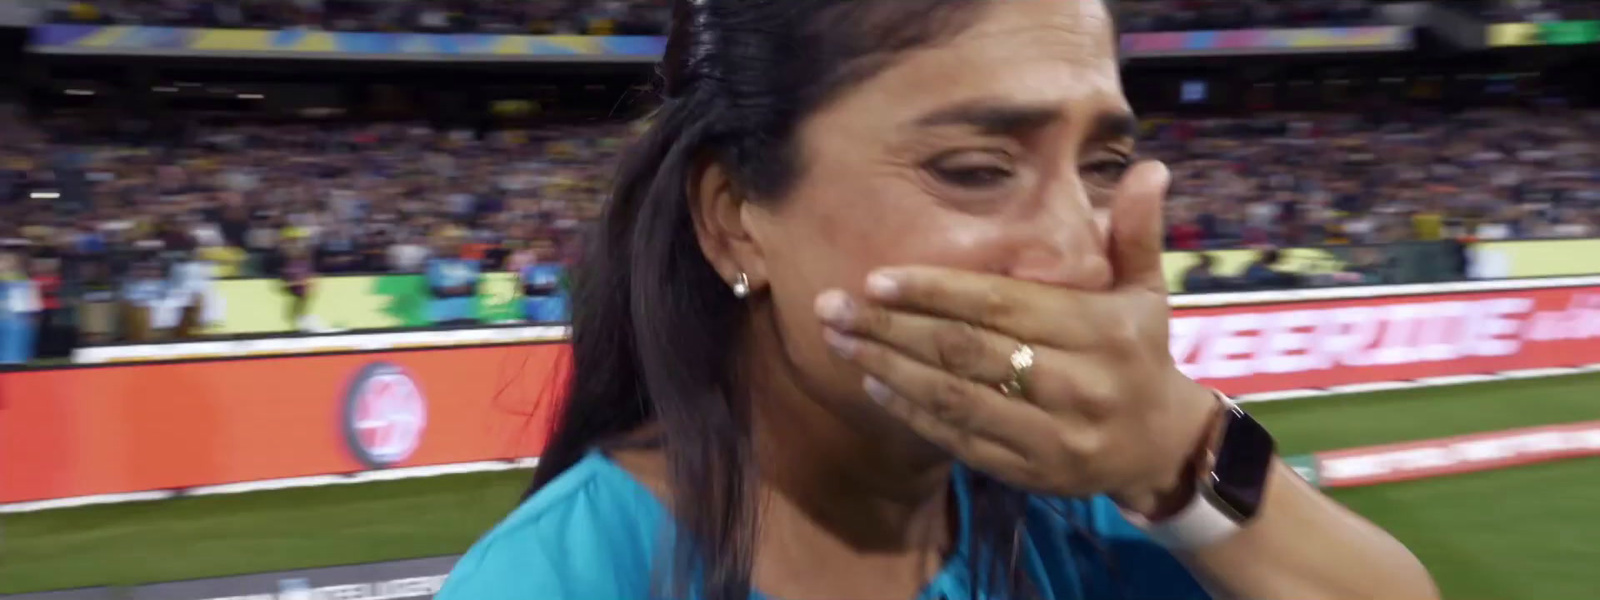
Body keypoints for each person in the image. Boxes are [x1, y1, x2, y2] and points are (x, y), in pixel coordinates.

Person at [439, 1, 1438, 600]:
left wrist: (1183, 455)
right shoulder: (561, 579)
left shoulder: (1107, 517)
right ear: (737, 216)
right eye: (973, 168)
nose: (1076, 254)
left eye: (1103, 164)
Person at [0, 250, 42, 364]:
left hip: (17, 326)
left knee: (14, 358)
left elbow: (32, 308)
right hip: (13, 324)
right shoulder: (24, 282)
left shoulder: (23, 283)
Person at [517, 238, 569, 324]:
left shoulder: (562, 270)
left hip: (558, 321)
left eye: (547, 247)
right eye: (538, 247)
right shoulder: (527, 271)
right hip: (533, 322)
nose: (543, 250)